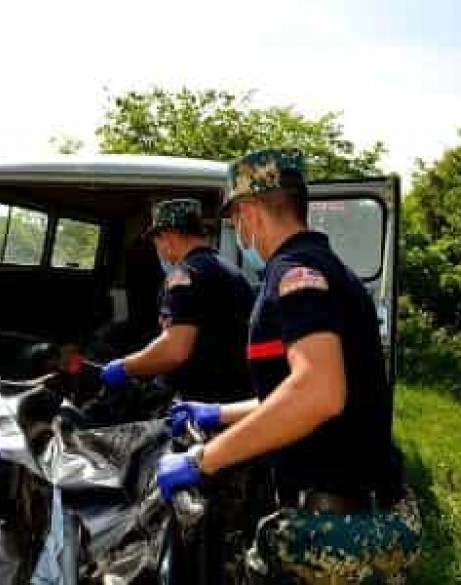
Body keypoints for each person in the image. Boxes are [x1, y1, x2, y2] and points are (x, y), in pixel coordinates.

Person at [156, 149, 421, 583]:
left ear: (249, 213)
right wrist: (218, 413)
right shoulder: (330, 268)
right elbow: (296, 393)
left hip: (334, 534)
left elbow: (318, 393)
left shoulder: (294, 274)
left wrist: (205, 459)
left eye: (235, 219)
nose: (239, 232)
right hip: (375, 516)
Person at [100, 198, 255, 404]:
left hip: (199, 400)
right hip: (234, 396)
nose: (158, 250)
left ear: (168, 238)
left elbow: (174, 351)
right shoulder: (230, 271)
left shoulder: (185, 275)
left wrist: (125, 367)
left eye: (156, 242)